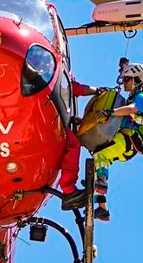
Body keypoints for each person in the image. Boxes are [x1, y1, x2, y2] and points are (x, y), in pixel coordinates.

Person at [89, 59, 143, 221]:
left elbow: (133, 109)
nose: (124, 83)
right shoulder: (135, 94)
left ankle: (101, 183)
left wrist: (110, 112)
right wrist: (123, 67)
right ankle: (102, 208)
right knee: (97, 161)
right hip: (126, 141)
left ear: (137, 80)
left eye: (127, 80)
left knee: (100, 155)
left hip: (129, 140)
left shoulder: (142, 97)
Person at [58, 78, 108, 210]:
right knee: (74, 144)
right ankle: (68, 189)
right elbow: (72, 87)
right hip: (48, 119)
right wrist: (98, 91)